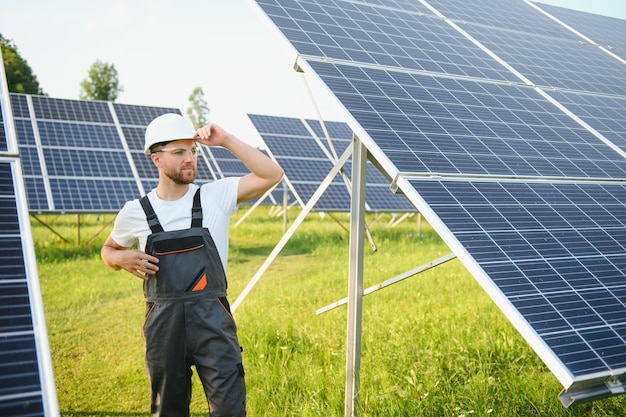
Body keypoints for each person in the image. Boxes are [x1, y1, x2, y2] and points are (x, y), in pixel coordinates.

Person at [101, 113, 283, 417]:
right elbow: (108, 250)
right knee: (169, 410)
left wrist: (225, 140)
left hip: (213, 322)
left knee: (230, 409)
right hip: (162, 326)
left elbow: (271, 174)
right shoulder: (135, 211)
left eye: (193, 151)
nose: (190, 159)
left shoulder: (215, 196)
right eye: (179, 152)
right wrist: (120, 257)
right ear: (156, 159)